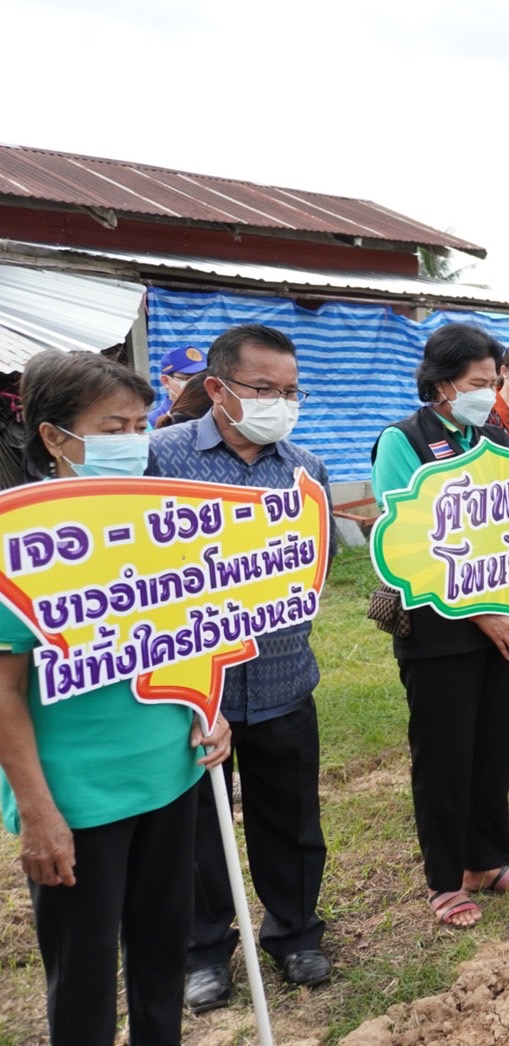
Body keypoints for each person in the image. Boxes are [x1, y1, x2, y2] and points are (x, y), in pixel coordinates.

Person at [1, 349, 230, 1044]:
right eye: (114, 427)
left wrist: (209, 711)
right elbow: (4, 690)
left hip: (171, 774)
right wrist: (38, 812)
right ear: (55, 438)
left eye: (140, 424)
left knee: (162, 957)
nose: (134, 442)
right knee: (85, 976)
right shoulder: (22, 539)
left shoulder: (158, 523)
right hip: (80, 797)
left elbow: (190, 633)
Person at [149, 324, 334, 1010]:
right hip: (194, 693)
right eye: (264, 389)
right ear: (219, 388)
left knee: (290, 817)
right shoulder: (157, 459)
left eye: (290, 391)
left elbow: (317, 566)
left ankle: (295, 932)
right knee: (196, 828)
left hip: (284, 678)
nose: (280, 402)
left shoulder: (304, 467)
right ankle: (203, 950)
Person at [370, 324, 509, 927]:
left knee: (494, 749)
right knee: (445, 756)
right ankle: (445, 880)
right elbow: (410, 543)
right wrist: (485, 614)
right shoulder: (402, 440)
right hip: (440, 630)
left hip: (501, 624)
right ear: (442, 383)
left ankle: (487, 861)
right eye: (477, 383)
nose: (489, 392)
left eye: (493, 381)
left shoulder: (492, 435)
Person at [149, 344, 207, 427]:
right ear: (166, 381)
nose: (198, 383)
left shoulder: (218, 415)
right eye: (188, 378)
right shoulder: (150, 422)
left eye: (202, 377)